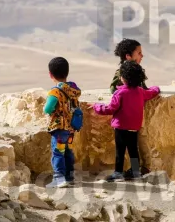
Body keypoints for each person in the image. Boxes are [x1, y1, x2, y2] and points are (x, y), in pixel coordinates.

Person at [91, 60, 160, 182]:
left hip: (121, 127)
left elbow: (110, 108)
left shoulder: (120, 93)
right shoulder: (140, 91)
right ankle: (135, 171)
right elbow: (151, 93)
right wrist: (157, 88)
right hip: (134, 127)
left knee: (120, 151)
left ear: (123, 78)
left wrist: (97, 106)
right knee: (133, 150)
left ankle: (118, 173)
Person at [43, 57, 82, 189]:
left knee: (58, 152)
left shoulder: (55, 92)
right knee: (67, 151)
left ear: (50, 74)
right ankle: (69, 177)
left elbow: (48, 109)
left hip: (59, 128)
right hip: (71, 128)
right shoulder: (73, 89)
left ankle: (59, 179)